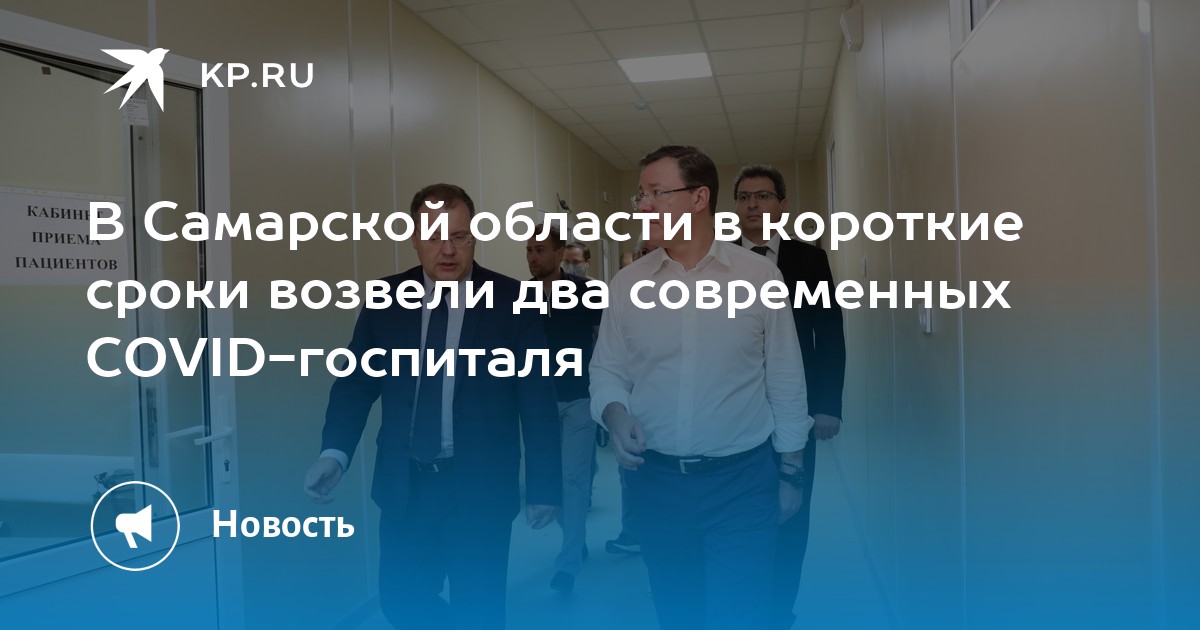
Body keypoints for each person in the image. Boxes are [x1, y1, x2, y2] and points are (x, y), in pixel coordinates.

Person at [304, 183, 561, 630]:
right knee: (401, 603)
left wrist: (543, 483)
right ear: (414, 238)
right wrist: (335, 452)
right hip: (407, 487)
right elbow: (355, 383)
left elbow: (536, 396)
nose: (448, 249)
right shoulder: (386, 298)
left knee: (479, 612)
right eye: (435, 236)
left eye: (459, 236)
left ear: (474, 237)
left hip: (479, 487)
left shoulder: (512, 301)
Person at [590, 146, 812, 630]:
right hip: (657, 484)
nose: (642, 205)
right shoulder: (626, 285)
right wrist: (615, 412)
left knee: (742, 614)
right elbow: (607, 370)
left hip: (743, 484)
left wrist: (791, 473)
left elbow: (785, 378)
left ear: (699, 198)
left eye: (656, 193)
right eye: (640, 194)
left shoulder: (759, 276)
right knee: (677, 610)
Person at [733, 164, 846, 630]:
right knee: (739, 515)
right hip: (736, 409)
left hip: (796, 410)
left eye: (762, 196)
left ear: (782, 205)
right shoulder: (720, 261)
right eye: (744, 197)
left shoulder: (808, 260)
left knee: (791, 513)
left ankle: (780, 613)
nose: (752, 205)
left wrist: (828, 404)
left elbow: (829, 333)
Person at [526, 224, 603, 593]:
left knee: (573, 480)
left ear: (559, 254)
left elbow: (605, 340)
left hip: (578, 399)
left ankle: (568, 564)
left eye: (540, 250)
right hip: (538, 403)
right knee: (553, 479)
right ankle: (576, 537)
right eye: (529, 250)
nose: (533, 257)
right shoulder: (519, 297)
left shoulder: (587, 292)